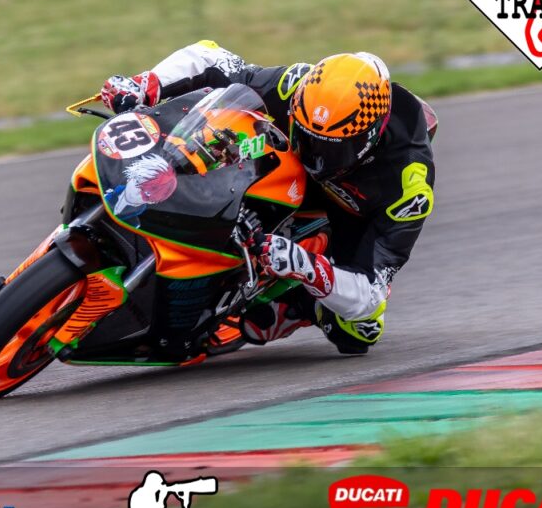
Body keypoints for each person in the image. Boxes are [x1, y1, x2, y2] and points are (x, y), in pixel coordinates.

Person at [100, 41, 436, 354]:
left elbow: (370, 295)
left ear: (370, 137)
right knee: (223, 125)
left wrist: (304, 265)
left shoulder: (408, 186)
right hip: (281, 168)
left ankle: (299, 306)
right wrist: (146, 84)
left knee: (357, 330)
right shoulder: (297, 87)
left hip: (351, 220)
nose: (314, 154)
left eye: (329, 148)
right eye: (307, 136)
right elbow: (213, 58)